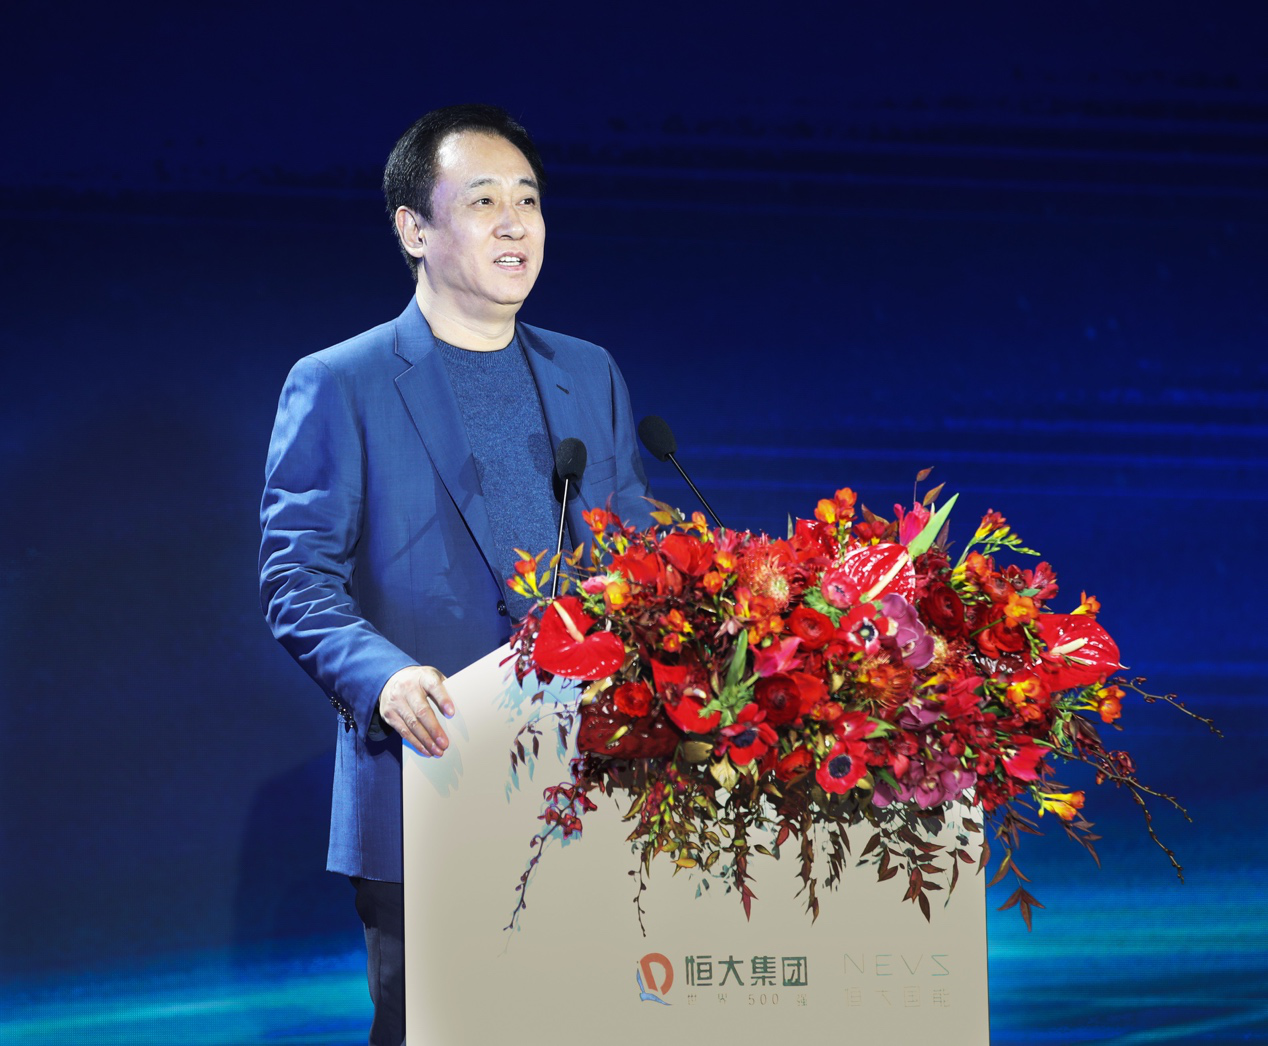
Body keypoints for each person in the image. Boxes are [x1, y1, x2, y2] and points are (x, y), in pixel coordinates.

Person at [258, 104, 651, 1045]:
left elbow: (638, 557)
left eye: (529, 200)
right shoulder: (341, 381)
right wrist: (384, 678)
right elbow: (296, 577)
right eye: (483, 202)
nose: (516, 224)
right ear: (414, 229)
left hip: (591, 781)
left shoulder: (588, 372)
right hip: (430, 778)